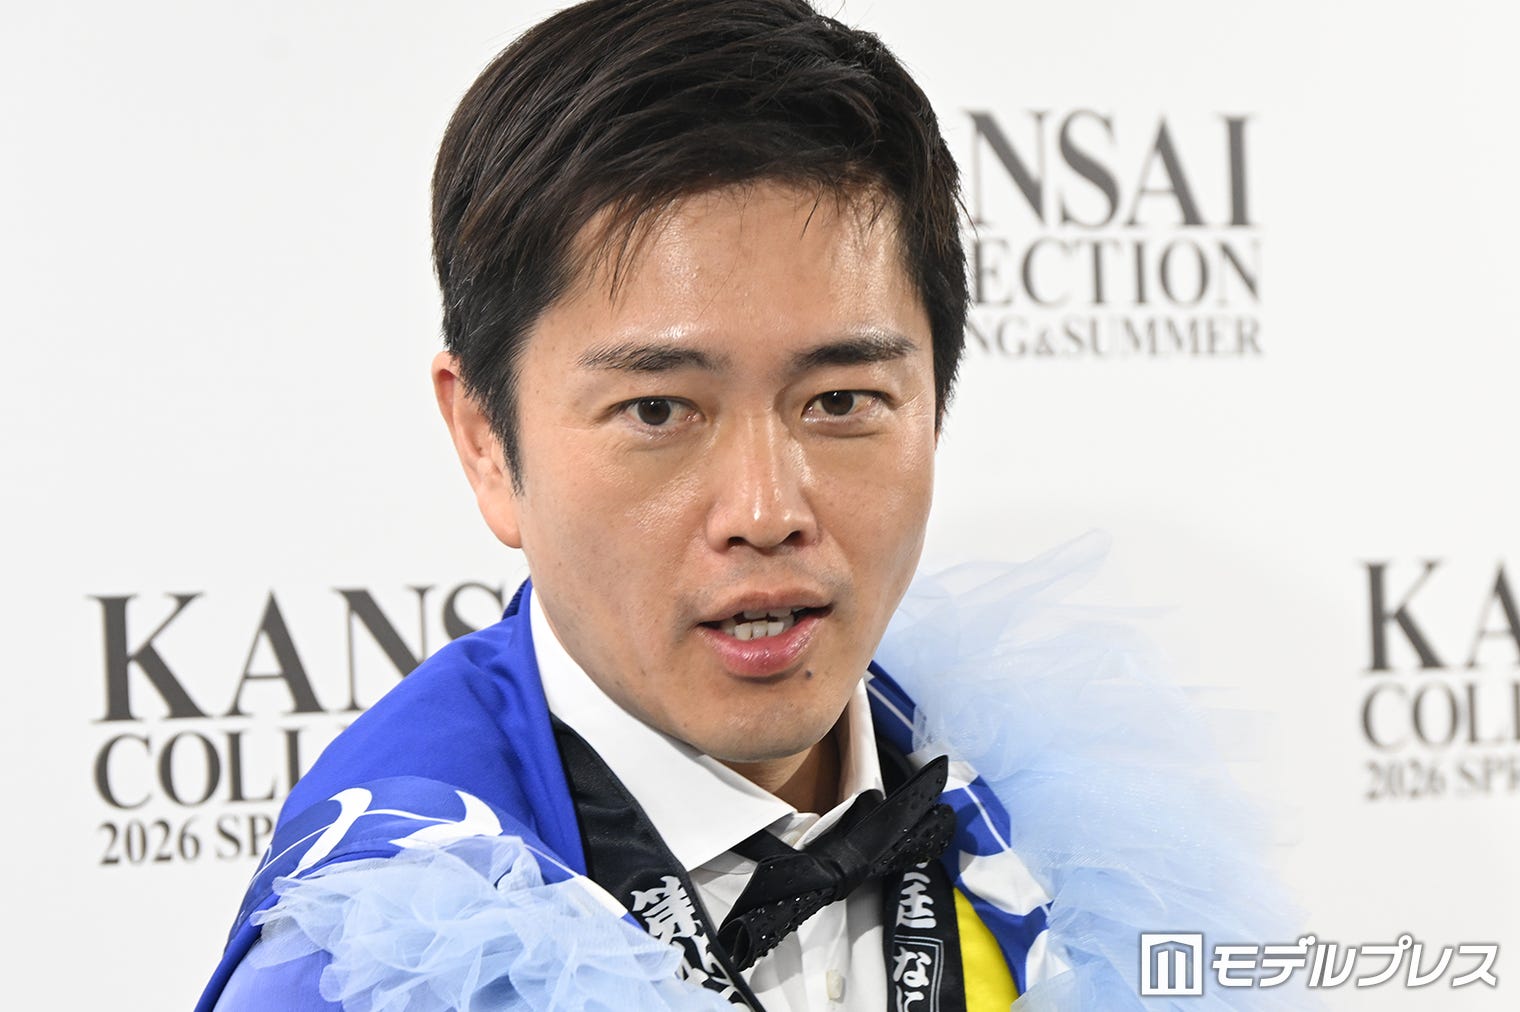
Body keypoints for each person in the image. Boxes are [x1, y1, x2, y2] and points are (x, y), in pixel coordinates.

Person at [199, 2, 1293, 1009]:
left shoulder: (1073, 827)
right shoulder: (370, 964)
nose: (766, 511)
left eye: (840, 401)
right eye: (658, 411)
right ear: (486, 440)